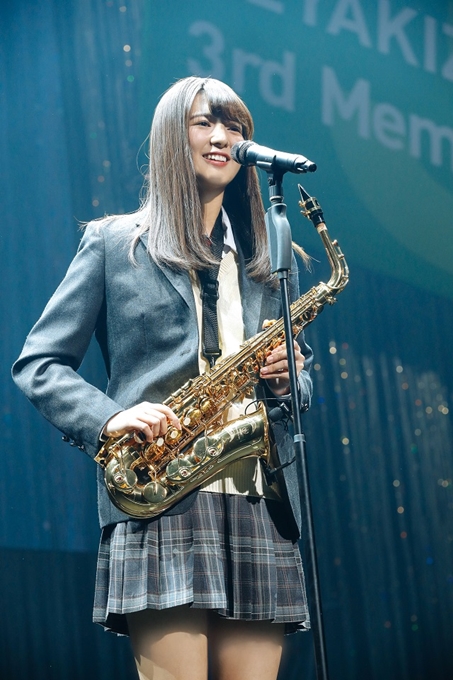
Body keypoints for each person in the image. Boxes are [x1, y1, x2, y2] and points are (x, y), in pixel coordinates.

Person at [12, 76, 313, 680]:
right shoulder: (113, 243)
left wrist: (289, 383)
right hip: (163, 498)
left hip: (259, 499)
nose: (223, 137)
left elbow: (299, 391)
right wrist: (110, 418)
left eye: (234, 126)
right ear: (172, 137)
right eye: (205, 122)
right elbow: (38, 363)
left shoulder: (268, 263)